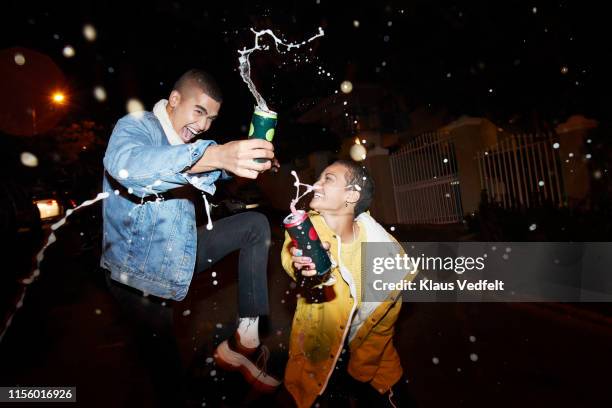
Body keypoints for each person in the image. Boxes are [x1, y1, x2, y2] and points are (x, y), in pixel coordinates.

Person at [101, 69, 281, 406]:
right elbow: (127, 168)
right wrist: (211, 155)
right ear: (174, 100)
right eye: (199, 112)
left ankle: (245, 338)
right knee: (168, 376)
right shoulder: (137, 127)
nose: (203, 126)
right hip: (138, 276)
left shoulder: (193, 144)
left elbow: (218, 165)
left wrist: (245, 159)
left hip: (180, 248)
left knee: (256, 225)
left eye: (211, 118)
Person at [280, 160, 417, 408]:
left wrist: (362, 368)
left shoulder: (384, 251)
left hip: (375, 362)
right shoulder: (306, 230)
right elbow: (291, 257)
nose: (316, 183)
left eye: (328, 179)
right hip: (319, 359)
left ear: (352, 195)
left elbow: (385, 322)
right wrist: (305, 269)